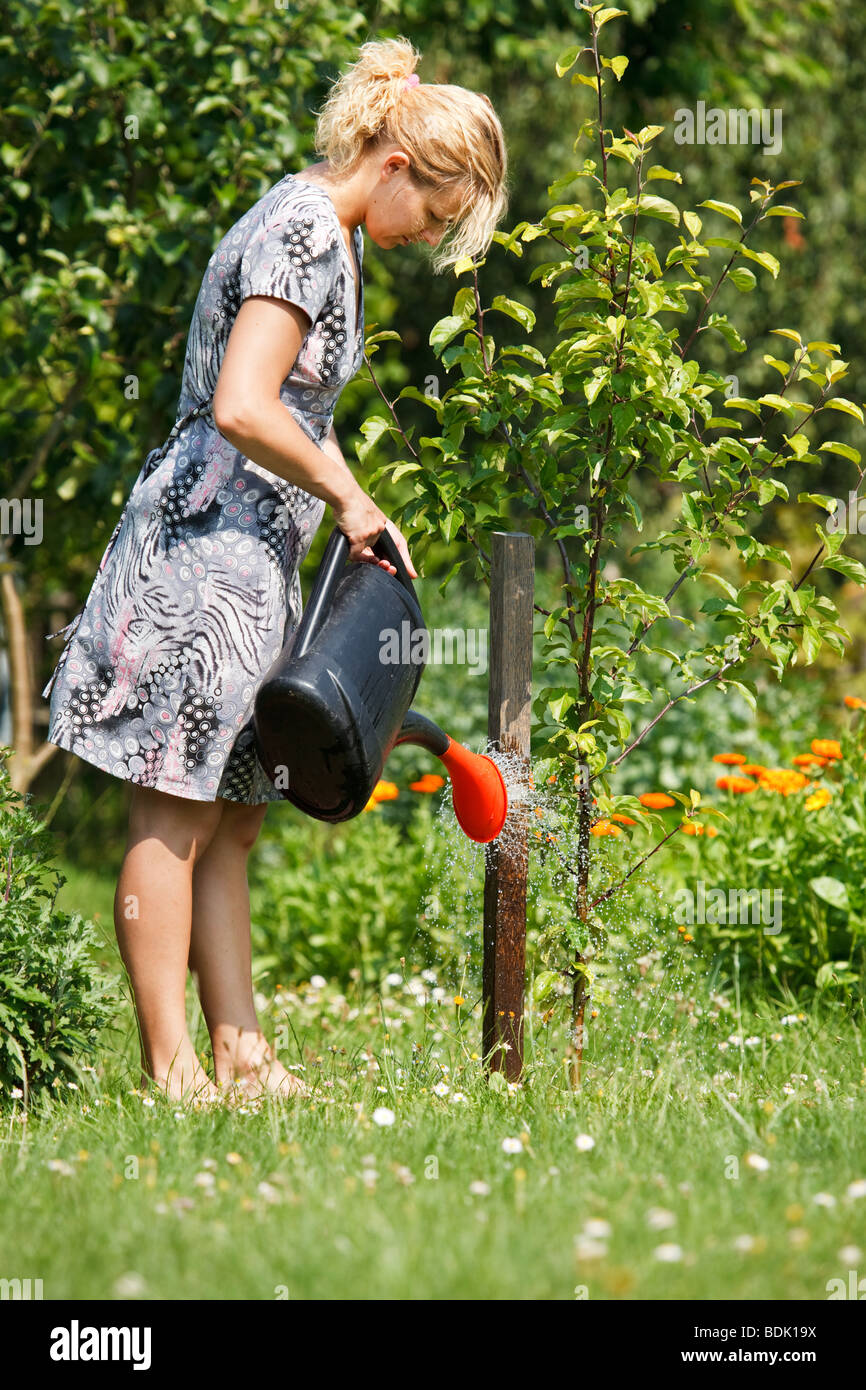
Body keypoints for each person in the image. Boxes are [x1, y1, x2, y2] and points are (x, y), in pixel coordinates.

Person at [41, 34, 509, 1105]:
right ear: (392, 163)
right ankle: (171, 1072)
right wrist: (341, 493)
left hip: (252, 560)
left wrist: (356, 502)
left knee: (235, 813)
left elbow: (295, 414)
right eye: (434, 214)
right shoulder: (304, 229)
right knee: (176, 813)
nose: (428, 237)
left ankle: (242, 1055)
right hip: (201, 558)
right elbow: (243, 405)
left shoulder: (322, 230)